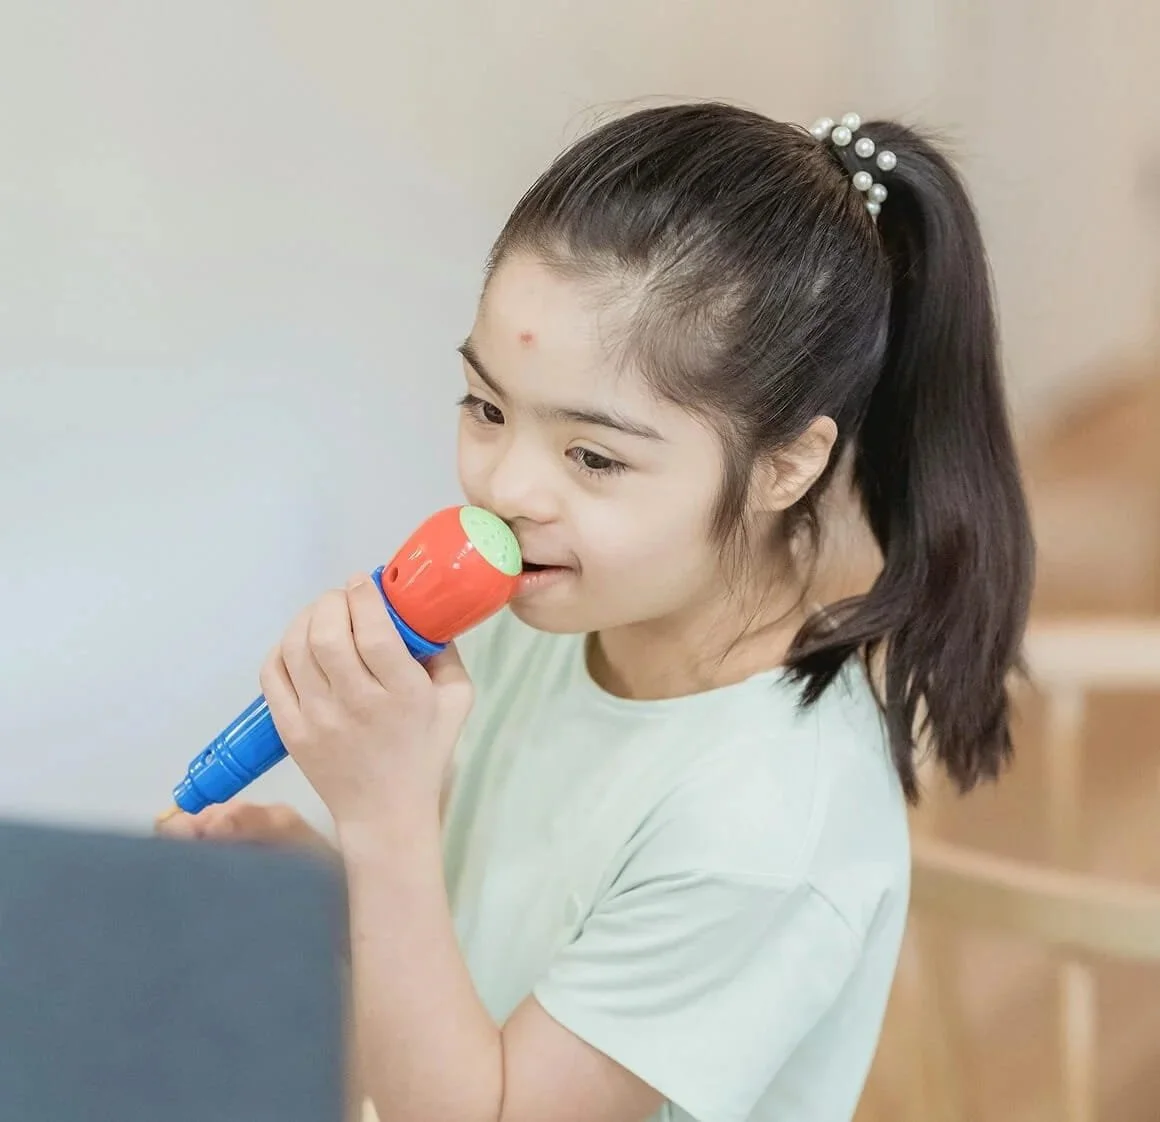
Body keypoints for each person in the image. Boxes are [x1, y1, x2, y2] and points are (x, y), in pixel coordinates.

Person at [159, 102, 1034, 1122]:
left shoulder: (769, 824)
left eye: (592, 456)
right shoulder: (551, 618)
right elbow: (462, 963)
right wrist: (331, 883)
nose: (506, 489)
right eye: (486, 408)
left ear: (785, 466)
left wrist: (381, 822)